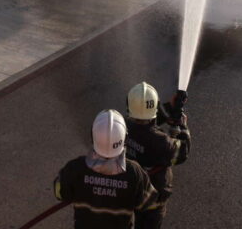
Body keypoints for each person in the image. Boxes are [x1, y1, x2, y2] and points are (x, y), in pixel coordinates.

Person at [55, 109, 157, 228]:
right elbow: (148, 203)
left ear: (93, 137)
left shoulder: (75, 168)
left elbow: (59, 193)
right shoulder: (135, 172)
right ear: (124, 138)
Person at [124, 83, 191, 229]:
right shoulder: (161, 143)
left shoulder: (122, 127)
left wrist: (169, 108)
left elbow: (143, 121)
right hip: (152, 200)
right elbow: (183, 152)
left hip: (127, 192)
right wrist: (183, 127)